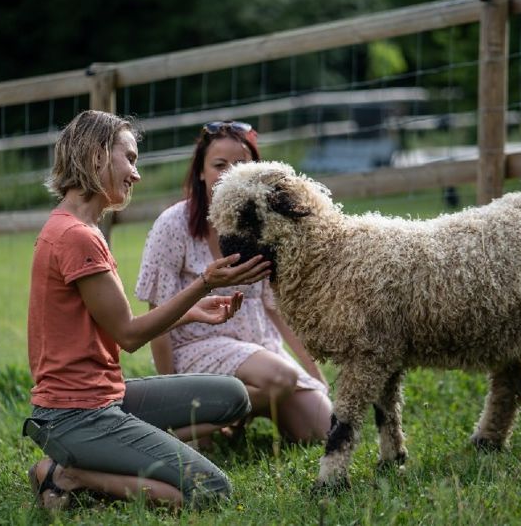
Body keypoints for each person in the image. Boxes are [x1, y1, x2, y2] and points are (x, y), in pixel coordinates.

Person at [23, 110, 272, 510]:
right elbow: (131, 336)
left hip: (105, 398)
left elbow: (113, 327)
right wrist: (204, 283)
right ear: (98, 156)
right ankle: (65, 474)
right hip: (76, 415)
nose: (136, 175)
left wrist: (191, 311)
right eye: (131, 158)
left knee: (234, 396)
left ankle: (119, 452)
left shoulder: (78, 230)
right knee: (211, 491)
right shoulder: (74, 237)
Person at [135, 121, 332, 444]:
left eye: (242, 165)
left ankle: (224, 418)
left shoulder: (265, 228)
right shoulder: (173, 225)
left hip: (259, 349)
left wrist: (317, 377)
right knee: (279, 377)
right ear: (200, 172)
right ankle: (177, 429)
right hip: (196, 350)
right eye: (219, 165)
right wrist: (172, 396)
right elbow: (160, 320)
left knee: (323, 430)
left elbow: (277, 311)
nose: (231, 173)